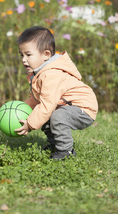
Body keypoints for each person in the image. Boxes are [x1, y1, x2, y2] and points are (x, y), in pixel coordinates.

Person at [15, 26, 98, 160]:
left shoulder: (51, 74)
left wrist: (30, 124)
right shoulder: (39, 73)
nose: (24, 59)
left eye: (28, 55)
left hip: (84, 108)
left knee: (56, 116)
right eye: (21, 55)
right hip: (68, 105)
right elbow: (36, 99)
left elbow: (47, 104)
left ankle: (66, 151)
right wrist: (22, 109)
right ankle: (54, 145)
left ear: (46, 54)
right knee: (48, 114)